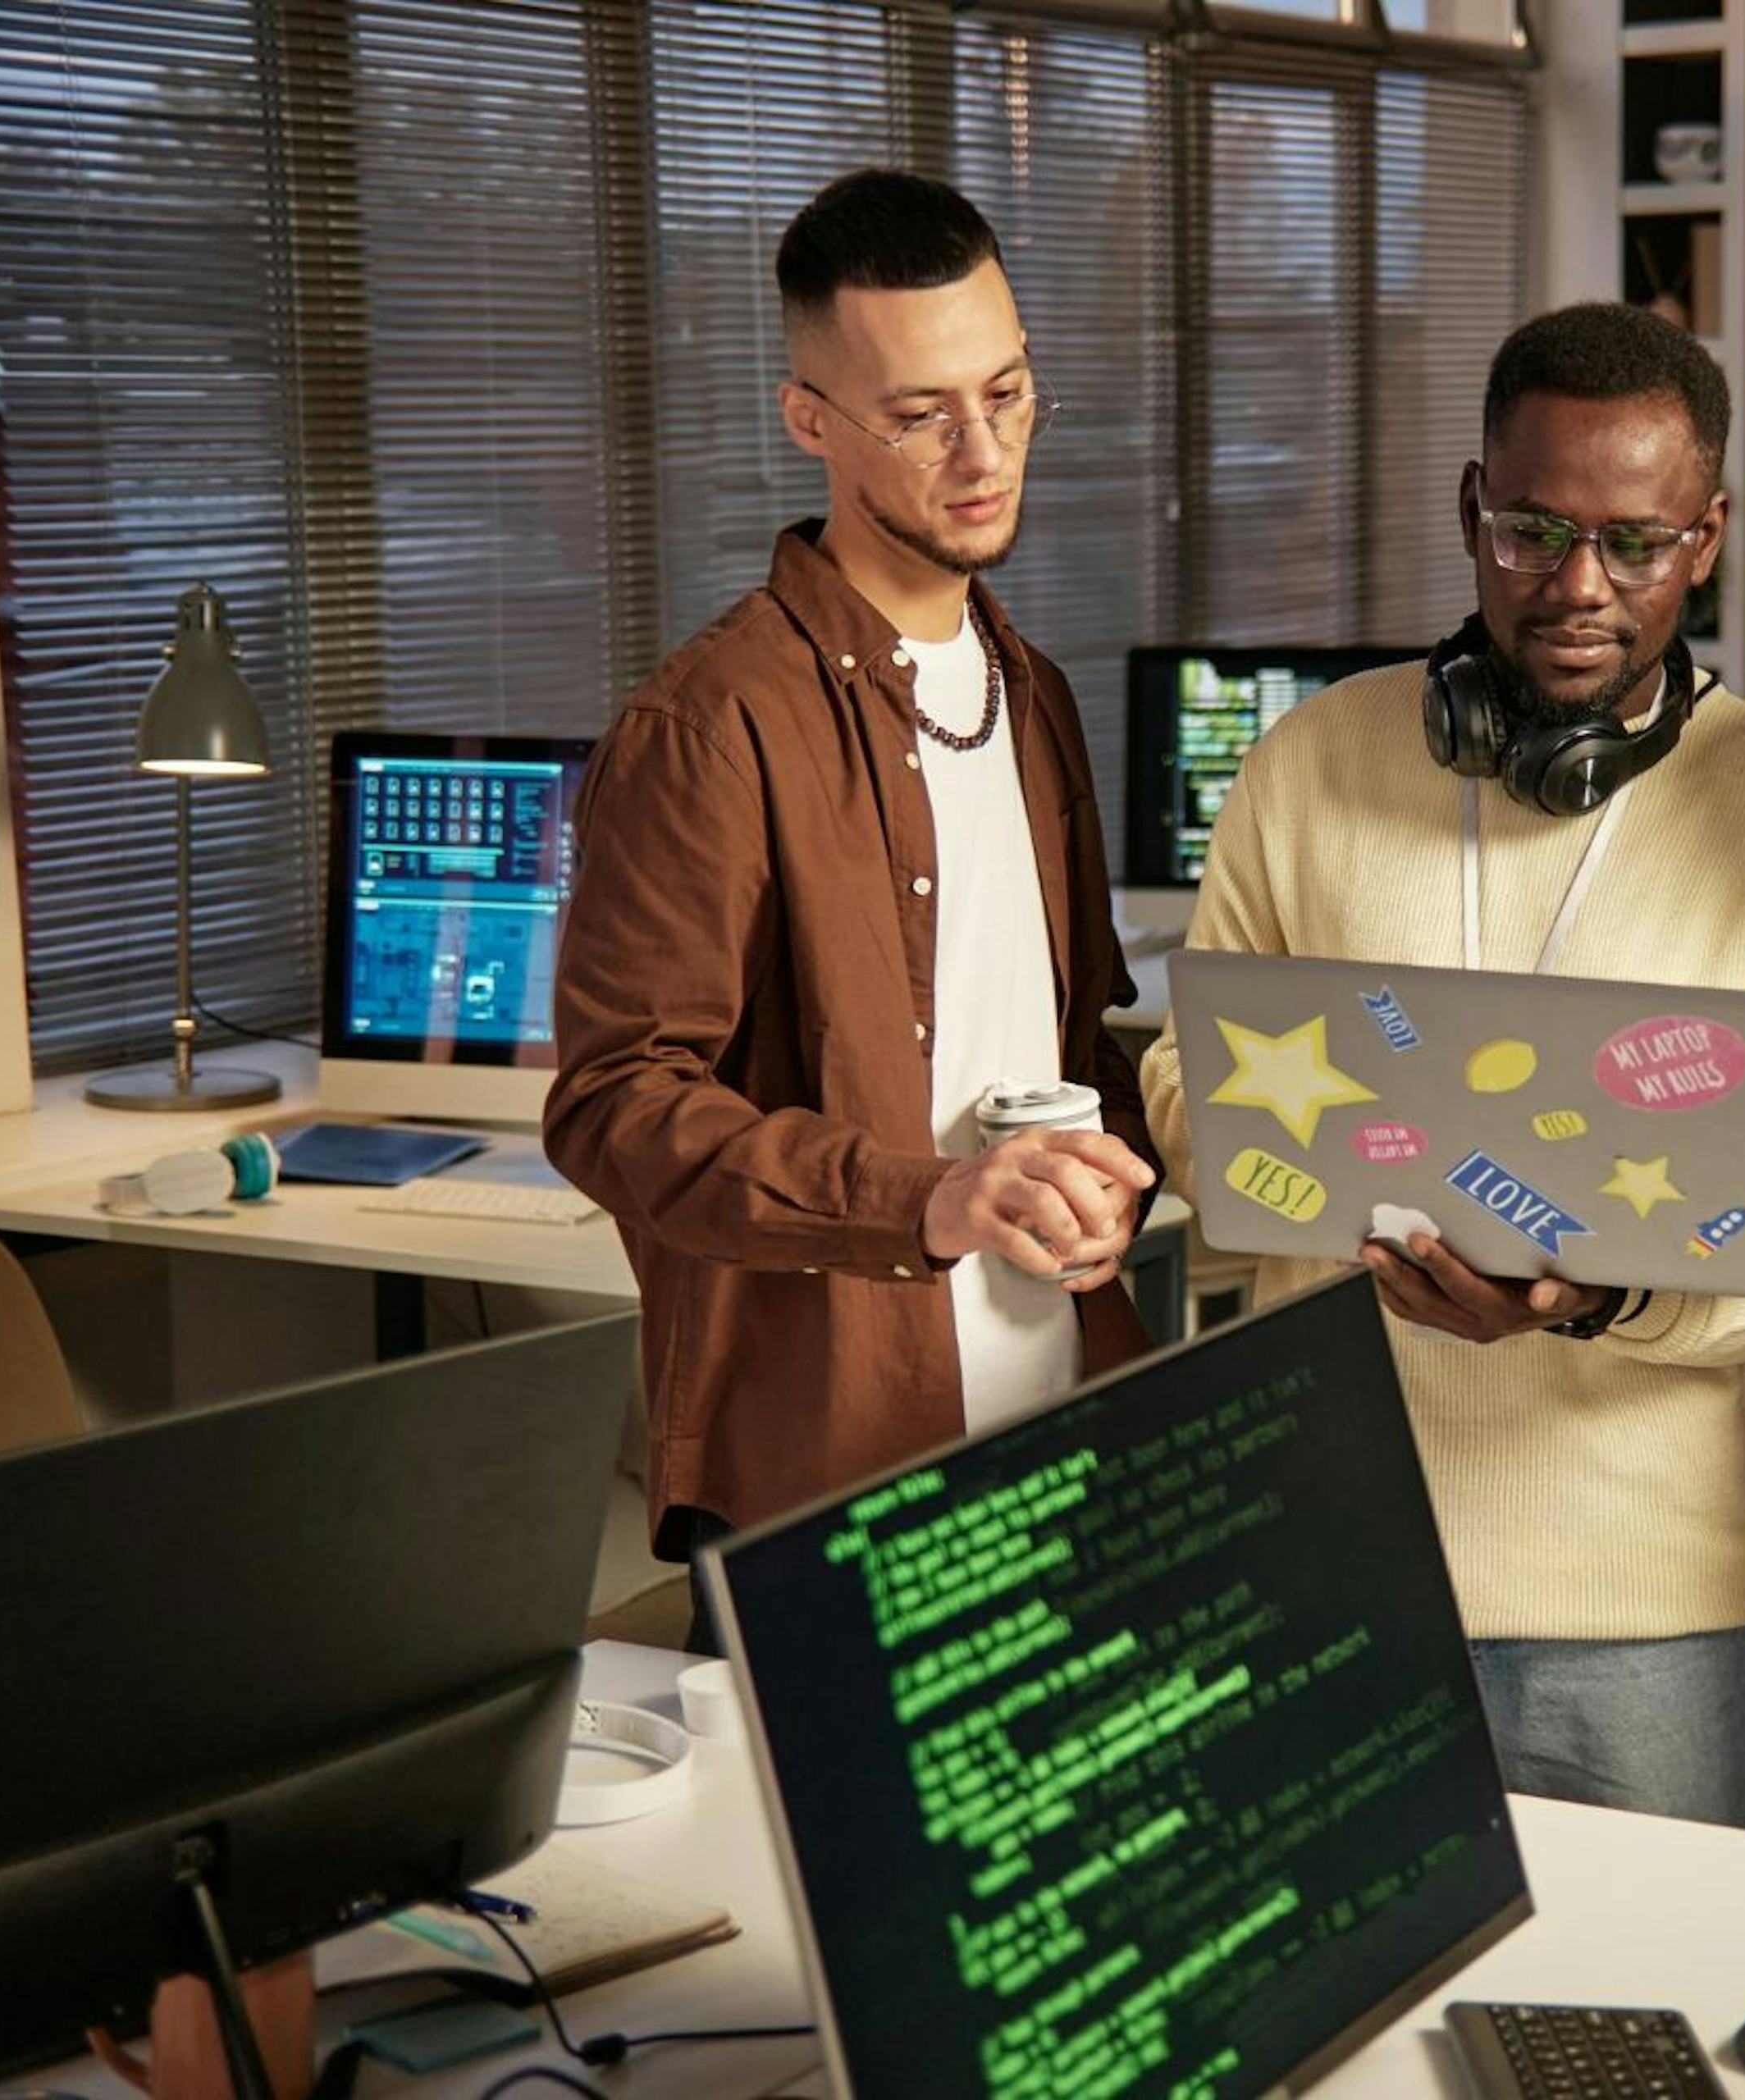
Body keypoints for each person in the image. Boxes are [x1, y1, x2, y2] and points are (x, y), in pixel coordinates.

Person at [1141, 304, 1745, 1832]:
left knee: (1660, 2051)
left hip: (1651, 1617)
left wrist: (1587, 1296)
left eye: (1638, 543)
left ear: (1710, 538)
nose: (1578, 588)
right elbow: (1181, 1079)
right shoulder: (1310, 765)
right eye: (1534, 531)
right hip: (1342, 1562)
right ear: (1470, 505)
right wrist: (1326, 1173)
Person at [546, 169, 1160, 1646]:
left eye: (1008, 396)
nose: (982, 451)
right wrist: (927, 1198)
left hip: (1061, 1423)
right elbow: (614, 1105)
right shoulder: (709, 725)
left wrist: (1171, 1140)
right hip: (831, 1470)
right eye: (918, 414)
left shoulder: (1036, 692)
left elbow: (1072, 1035)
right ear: (810, 419)